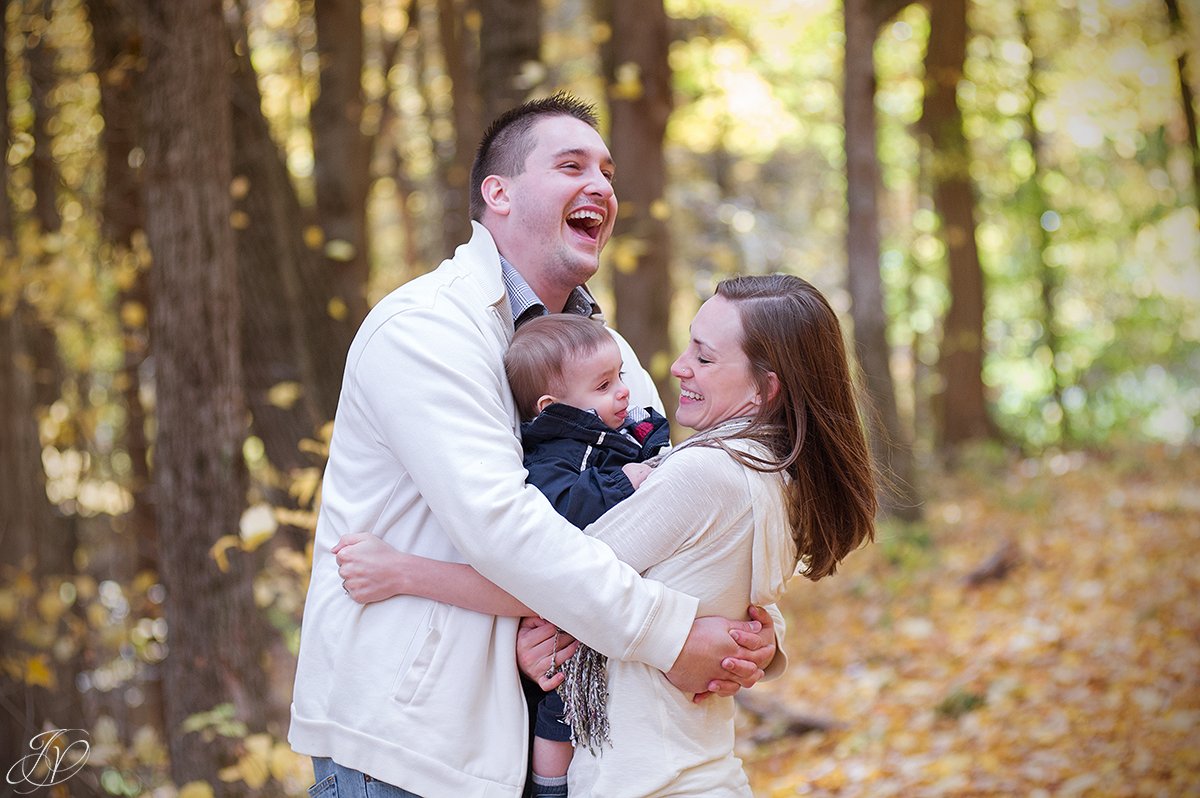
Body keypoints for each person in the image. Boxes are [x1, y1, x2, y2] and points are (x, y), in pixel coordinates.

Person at [288, 93, 781, 798]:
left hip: (536, 737)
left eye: (608, 172)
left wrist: (749, 631)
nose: (602, 187)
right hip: (409, 746)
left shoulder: (606, 353)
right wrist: (671, 637)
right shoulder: (427, 329)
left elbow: (667, 511)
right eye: (571, 165)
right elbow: (504, 527)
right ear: (500, 193)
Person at [335, 274, 879, 796]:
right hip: (695, 766)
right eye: (689, 347)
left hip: (647, 779)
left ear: (765, 389)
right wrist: (762, 638)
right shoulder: (777, 470)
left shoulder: (708, 472)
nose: (681, 367)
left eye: (705, 357)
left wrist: (401, 572)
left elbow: (553, 581)